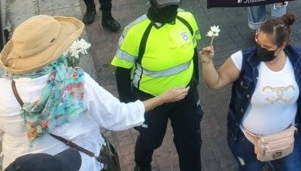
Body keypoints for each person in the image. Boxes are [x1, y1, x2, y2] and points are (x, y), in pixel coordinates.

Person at [0, 15, 188, 171]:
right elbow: (118, 116)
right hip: (81, 163)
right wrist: (162, 98)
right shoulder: (76, 83)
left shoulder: (3, 88)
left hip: (17, 162)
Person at [198, 14, 301, 170]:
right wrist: (207, 64)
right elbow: (215, 83)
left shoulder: (297, 57)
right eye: (259, 42)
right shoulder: (243, 59)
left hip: (287, 138)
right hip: (249, 141)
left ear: (282, 45)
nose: (261, 49)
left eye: (267, 47)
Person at [112, 0, 203, 171]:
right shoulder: (135, 32)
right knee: (150, 140)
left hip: (185, 95)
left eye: (174, 5)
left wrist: (195, 80)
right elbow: (122, 71)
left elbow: (193, 50)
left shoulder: (187, 19)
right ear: (152, 2)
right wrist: (129, 107)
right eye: (165, 6)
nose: (170, 11)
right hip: (151, 100)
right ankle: (142, 165)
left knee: (191, 143)